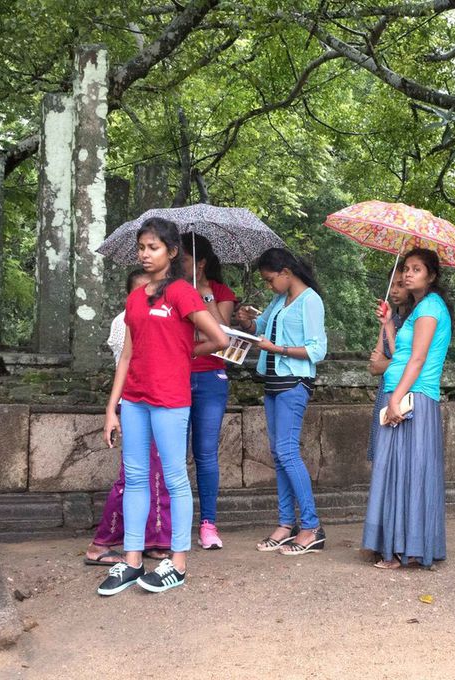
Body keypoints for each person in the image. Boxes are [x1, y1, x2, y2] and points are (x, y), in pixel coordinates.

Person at [98, 218, 228, 596]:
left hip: (170, 399)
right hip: (135, 400)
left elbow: (219, 338)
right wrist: (112, 408)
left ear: (172, 252)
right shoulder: (135, 298)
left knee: (174, 478)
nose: (144, 254)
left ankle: (179, 563)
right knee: (136, 479)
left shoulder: (183, 293)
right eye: (141, 247)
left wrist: (184, 351)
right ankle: (133, 561)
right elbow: (126, 355)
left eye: (152, 247)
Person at [362, 248, 453, 569]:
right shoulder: (417, 309)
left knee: (408, 473)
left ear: (431, 275)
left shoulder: (430, 307)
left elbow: (417, 359)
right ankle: (397, 547)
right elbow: (400, 351)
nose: (407, 274)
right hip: (400, 390)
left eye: (416, 269)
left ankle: (405, 550)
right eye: (406, 269)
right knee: (394, 471)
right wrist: (388, 323)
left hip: (413, 396)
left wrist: (395, 397)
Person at [236, 248, 327, 555]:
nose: (268, 286)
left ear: (287, 272)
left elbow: (317, 350)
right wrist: (247, 322)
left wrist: (278, 349)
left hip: (294, 383)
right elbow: (259, 332)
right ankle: (286, 524)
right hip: (273, 382)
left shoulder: (310, 300)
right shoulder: (279, 300)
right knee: (278, 455)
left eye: (270, 279)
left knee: (288, 452)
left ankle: (312, 527)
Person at [84, 268, 171, 566]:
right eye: (142, 290)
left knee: (157, 474)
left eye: (154, 289)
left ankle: (152, 539)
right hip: (135, 403)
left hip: (157, 403)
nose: (149, 294)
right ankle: (101, 543)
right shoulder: (125, 321)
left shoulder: (160, 315)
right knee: (133, 478)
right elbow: (134, 361)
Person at [180, 234, 237, 550]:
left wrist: (204, 296)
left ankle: (208, 524)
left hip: (211, 379)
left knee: (205, 453)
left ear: (200, 263)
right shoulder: (172, 292)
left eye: (186, 261)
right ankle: (174, 523)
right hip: (176, 378)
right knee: (176, 453)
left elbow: (223, 334)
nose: (181, 266)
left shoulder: (220, 292)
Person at [367, 270, 411, 462]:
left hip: (405, 390)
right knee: (382, 454)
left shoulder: (413, 323)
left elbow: (408, 362)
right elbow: (374, 367)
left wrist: (390, 360)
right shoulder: (389, 320)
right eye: (392, 285)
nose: (394, 290)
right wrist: (394, 362)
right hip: (385, 390)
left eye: (400, 285)